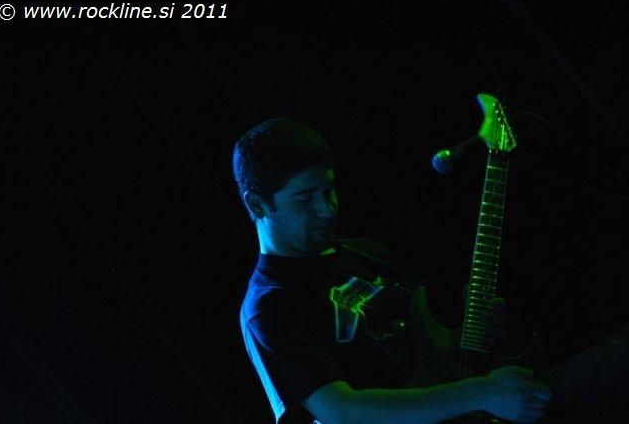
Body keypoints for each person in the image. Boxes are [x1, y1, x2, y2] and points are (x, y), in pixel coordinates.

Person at [234, 118, 628, 423]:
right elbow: (342, 411)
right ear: (257, 205)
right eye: (305, 198)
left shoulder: (365, 253)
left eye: (329, 189)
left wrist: (472, 330)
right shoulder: (270, 306)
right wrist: (478, 393)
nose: (327, 208)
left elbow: (438, 345)